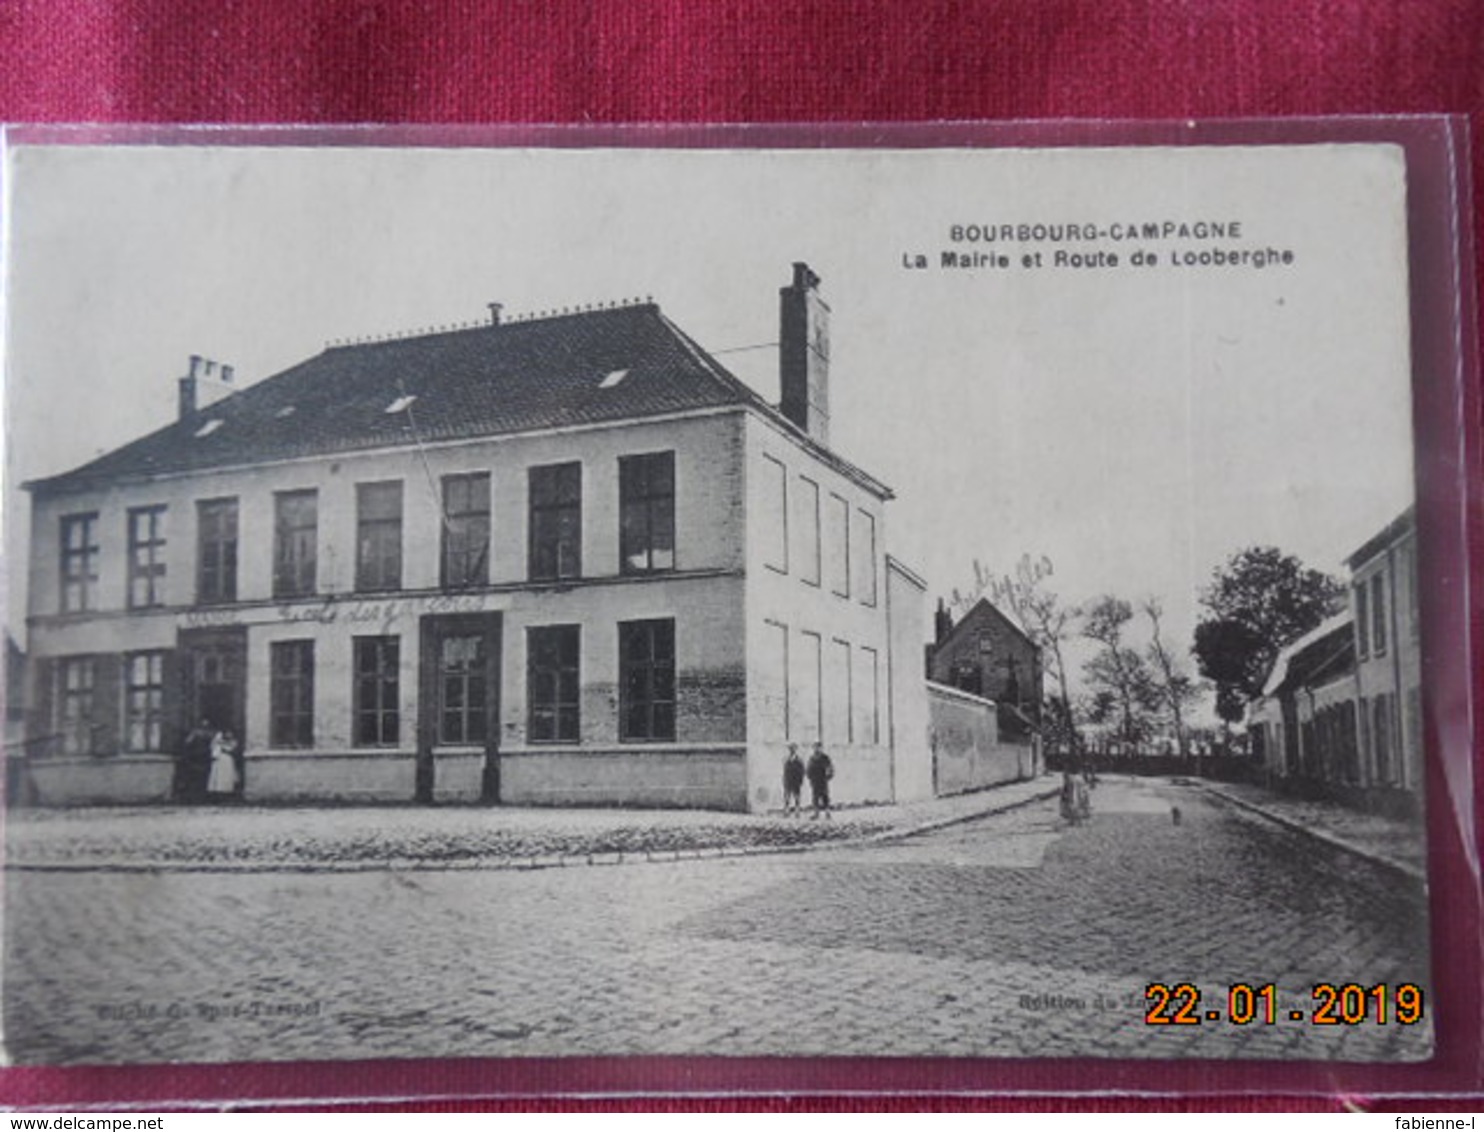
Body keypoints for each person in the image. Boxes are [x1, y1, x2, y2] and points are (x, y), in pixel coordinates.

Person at [206, 727, 240, 801]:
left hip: (227, 759)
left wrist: (223, 745)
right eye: (227, 733)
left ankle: (227, 791)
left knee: (227, 775)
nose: (228, 734)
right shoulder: (219, 741)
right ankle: (218, 792)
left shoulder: (233, 742)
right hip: (220, 759)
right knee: (219, 775)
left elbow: (231, 749)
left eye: (230, 733)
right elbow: (213, 747)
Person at [806, 741, 834, 819]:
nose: (816, 749)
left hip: (823, 780)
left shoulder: (825, 758)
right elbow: (808, 769)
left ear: (821, 748)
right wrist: (810, 777)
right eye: (815, 747)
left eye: (818, 747)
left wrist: (828, 777)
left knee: (825, 796)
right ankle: (816, 813)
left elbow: (830, 768)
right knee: (815, 797)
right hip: (814, 781)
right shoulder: (812, 758)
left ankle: (827, 812)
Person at [782, 744, 805, 815]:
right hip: (788, 781)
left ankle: (797, 811)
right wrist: (784, 780)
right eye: (790, 748)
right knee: (787, 797)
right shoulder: (786, 759)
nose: (792, 750)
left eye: (793, 748)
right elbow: (785, 771)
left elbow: (802, 771)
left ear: (796, 750)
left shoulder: (799, 760)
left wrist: (800, 781)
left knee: (797, 797)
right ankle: (786, 810)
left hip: (796, 781)